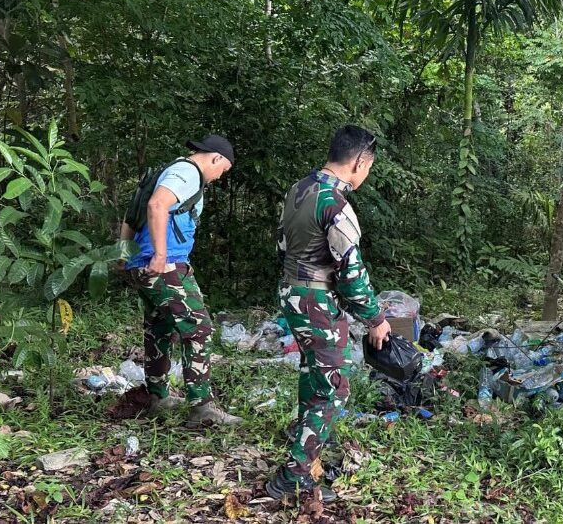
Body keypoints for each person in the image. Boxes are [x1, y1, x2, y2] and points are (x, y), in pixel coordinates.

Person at [265, 125, 391, 502]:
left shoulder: (298, 190)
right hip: (316, 300)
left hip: (292, 292)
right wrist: (375, 318)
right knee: (335, 388)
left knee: (312, 370)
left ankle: (305, 435)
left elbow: (282, 245)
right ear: (358, 163)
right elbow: (351, 273)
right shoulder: (336, 205)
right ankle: (295, 475)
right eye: (368, 167)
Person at [119, 135, 241, 428]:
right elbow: (156, 205)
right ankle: (202, 408)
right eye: (222, 171)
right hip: (164, 264)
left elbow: (131, 214)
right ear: (214, 158)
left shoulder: (166, 170)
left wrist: (123, 254)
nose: (217, 178)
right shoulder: (188, 173)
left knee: (159, 328)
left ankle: (157, 397)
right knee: (198, 327)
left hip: (142, 263)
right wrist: (160, 255)